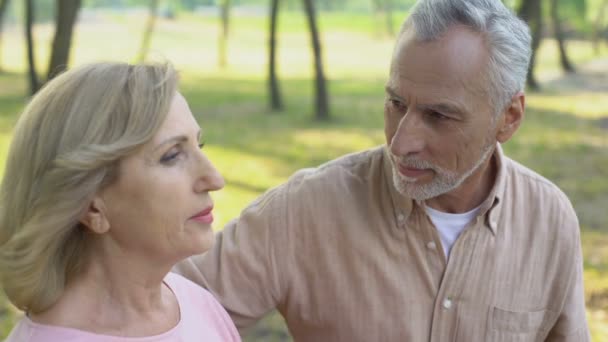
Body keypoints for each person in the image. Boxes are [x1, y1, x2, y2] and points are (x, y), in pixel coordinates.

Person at [175, 0, 590, 340]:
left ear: (509, 117)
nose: (401, 142)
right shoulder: (306, 210)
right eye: (396, 104)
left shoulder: (549, 220)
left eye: (439, 116)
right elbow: (158, 303)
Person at [0, 62, 240, 341]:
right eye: (172, 155)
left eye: (199, 145)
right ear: (92, 206)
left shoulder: (196, 305)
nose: (214, 179)